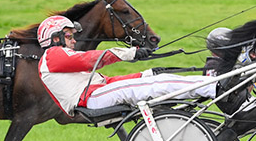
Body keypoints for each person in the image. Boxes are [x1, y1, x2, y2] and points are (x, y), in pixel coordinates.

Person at [37, 16, 217, 114]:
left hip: (95, 96)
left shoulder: (61, 61)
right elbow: (91, 59)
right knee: (154, 86)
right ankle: (213, 86)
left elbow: (109, 81)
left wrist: (143, 75)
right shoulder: (52, 55)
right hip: (91, 99)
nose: (74, 41)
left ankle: (209, 83)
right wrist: (130, 53)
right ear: (55, 38)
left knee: (156, 80)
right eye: (69, 36)